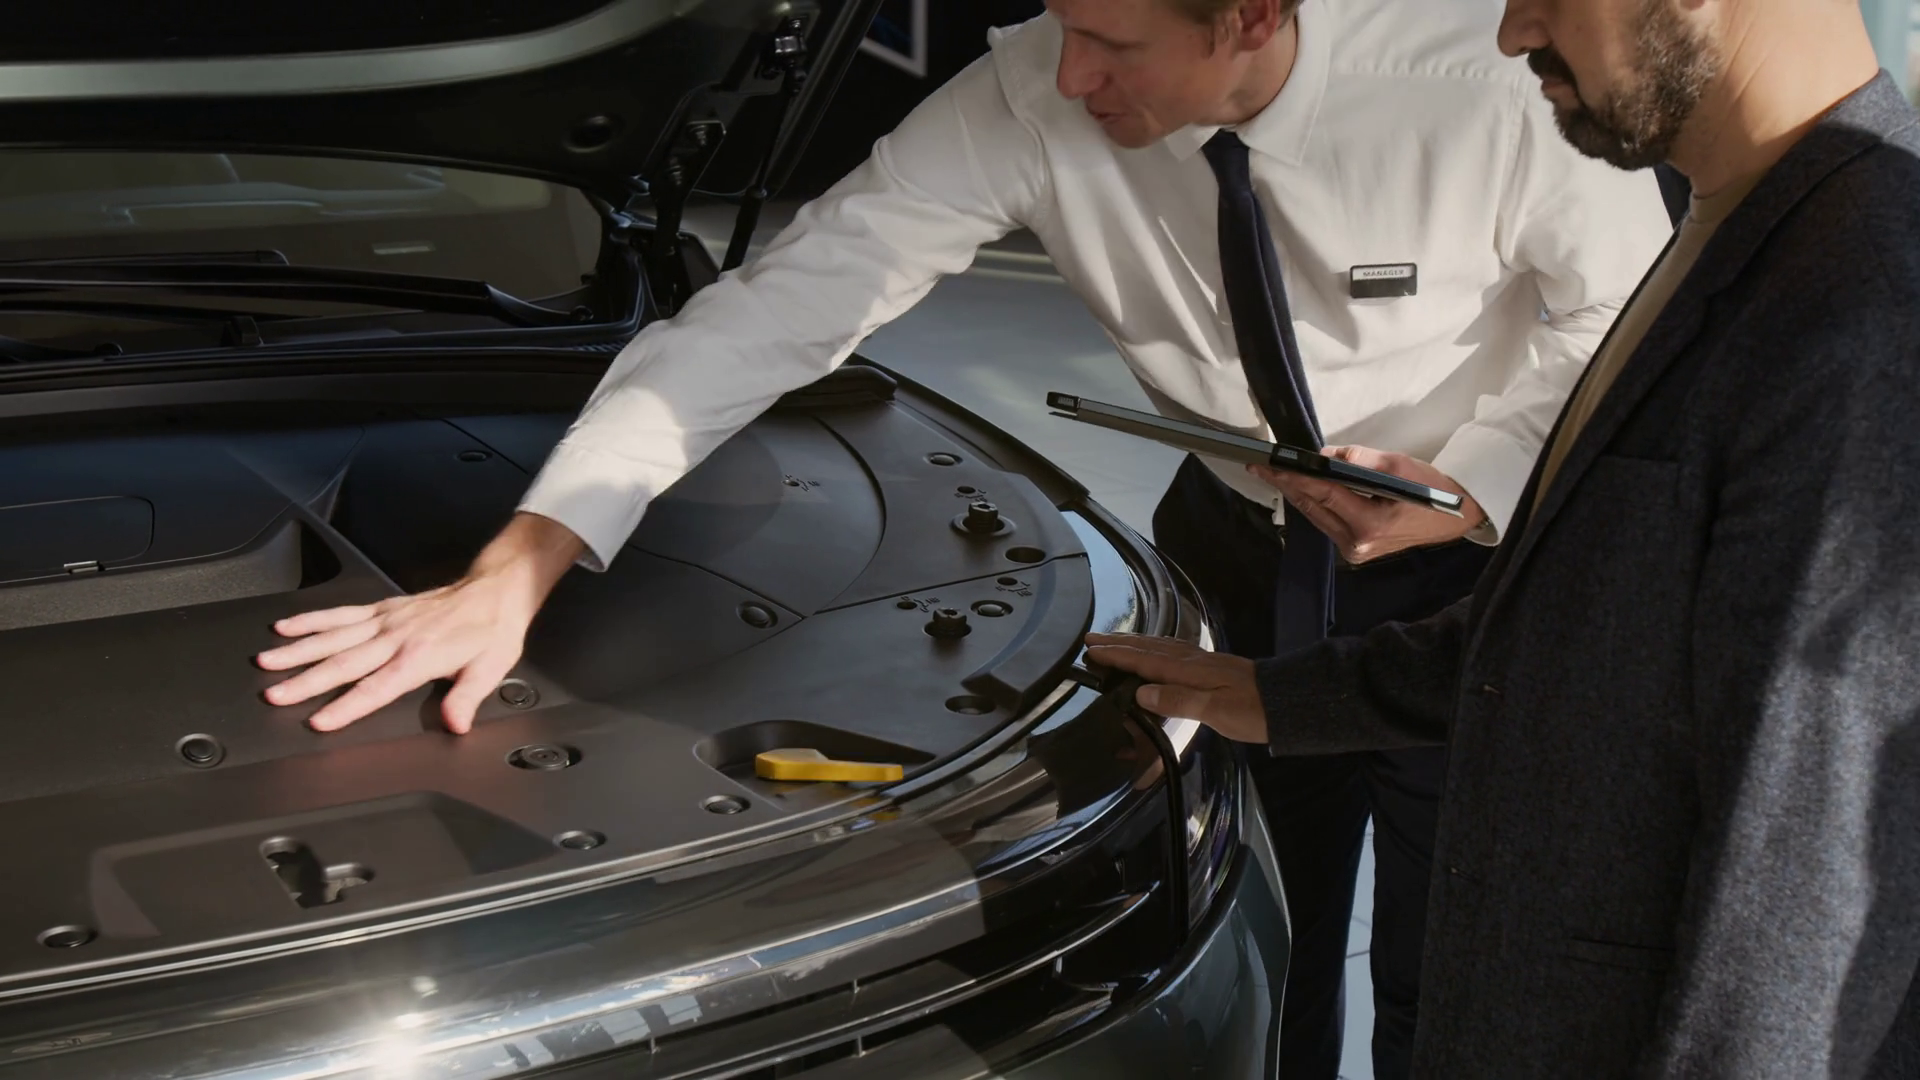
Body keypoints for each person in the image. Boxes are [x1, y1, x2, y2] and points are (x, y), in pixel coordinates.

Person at [254, 0, 1669, 1073]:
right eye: (1061, 23)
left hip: (1483, 576)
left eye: (1113, 42)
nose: (1069, 74)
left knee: (1454, 959)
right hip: (1240, 552)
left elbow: (1621, 314)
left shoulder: (1482, 80)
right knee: (1266, 914)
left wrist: (1469, 479)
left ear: (1250, 19)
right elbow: (784, 305)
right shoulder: (1032, 89)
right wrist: (525, 563)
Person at [1087, 0, 1920, 1073]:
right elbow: (1614, 623)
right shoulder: (1743, 225)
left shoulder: (1864, 306)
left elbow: (1808, 908)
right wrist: (1286, 697)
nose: (1512, 32)